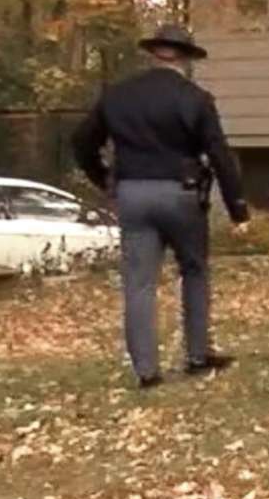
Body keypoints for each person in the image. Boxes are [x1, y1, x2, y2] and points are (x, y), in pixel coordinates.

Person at [70, 23, 250, 388]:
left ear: (153, 54)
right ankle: (197, 354)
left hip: (132, 191)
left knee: (139, 282)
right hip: (181, 193)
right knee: (194, 270)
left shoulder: (117, 96)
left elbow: (81, 141)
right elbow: (219, 154)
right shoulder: (195, 98)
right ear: (185, 59)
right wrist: (238, 208)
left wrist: (103, 176)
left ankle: (147, 370)